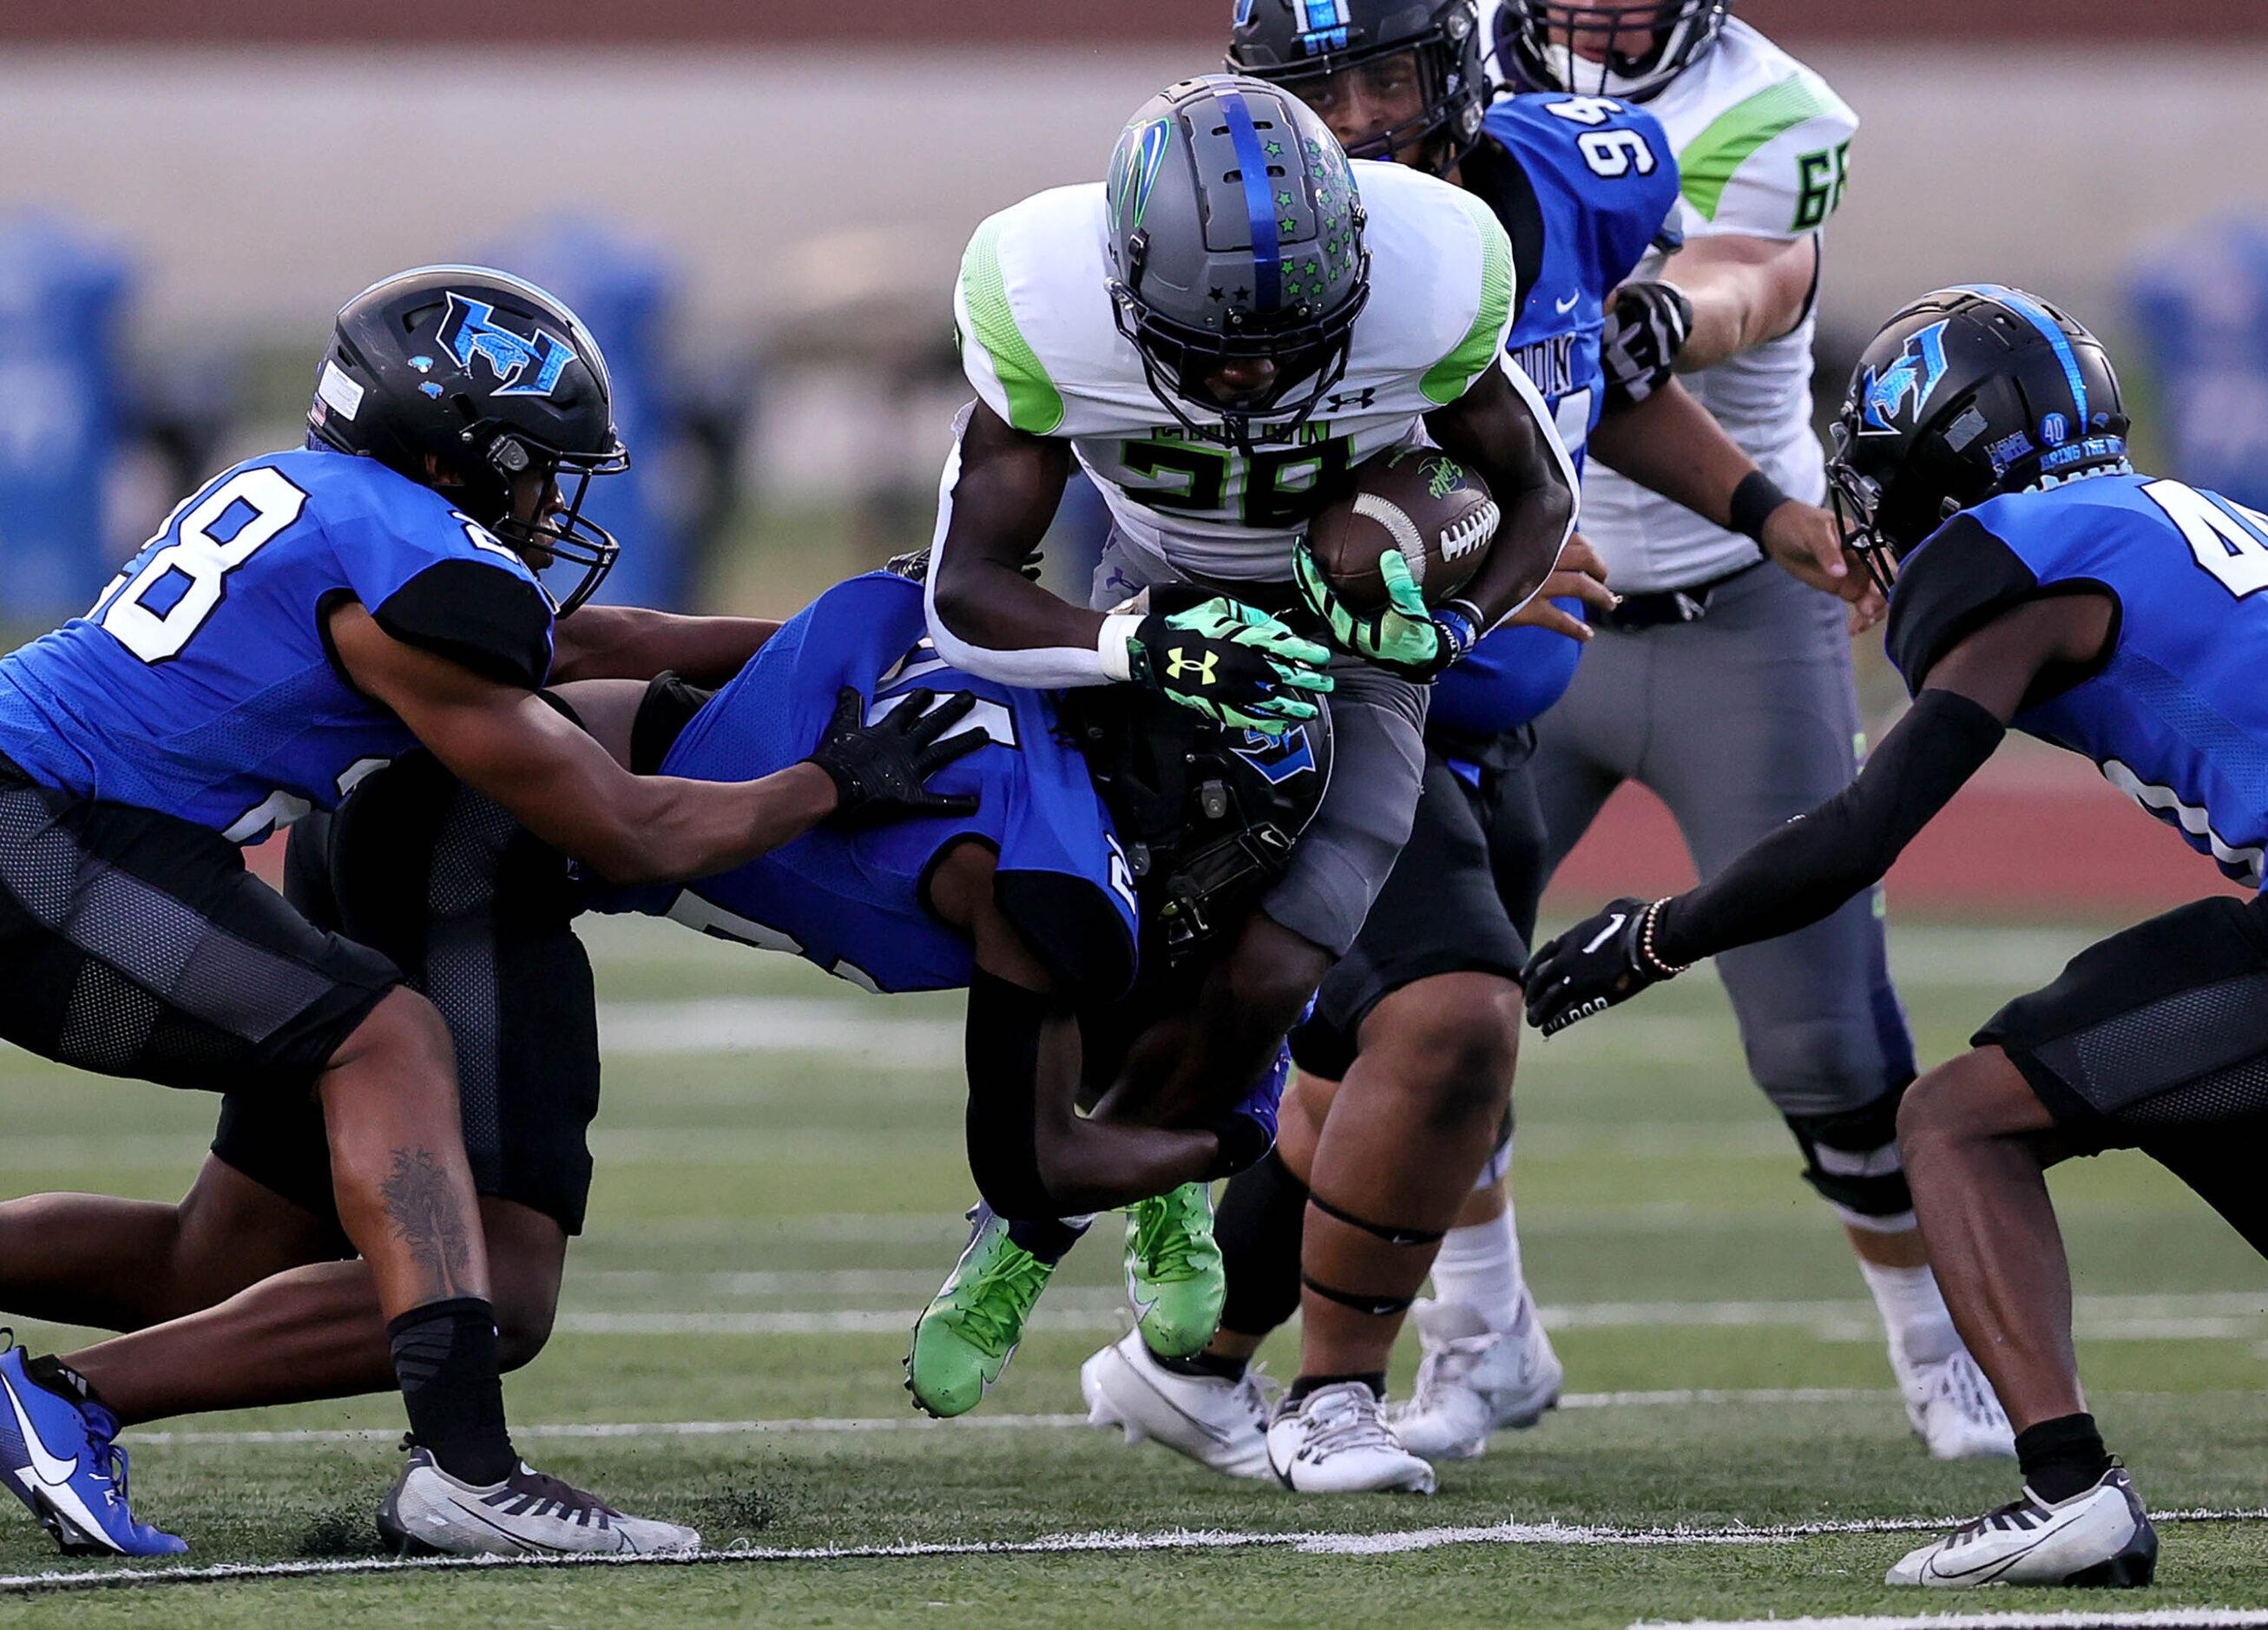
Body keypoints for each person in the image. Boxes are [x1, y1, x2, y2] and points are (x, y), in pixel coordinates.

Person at [0, 267, 977, 1559]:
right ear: (465, 454)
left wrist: (869, 630)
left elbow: (589, 642)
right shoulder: (413, 579)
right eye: (540, 468)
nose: (552, 501)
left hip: (52, 815)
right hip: (38, 836)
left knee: (215, 1255)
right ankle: (466, 1464)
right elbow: (626, 827)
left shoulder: (325, 507)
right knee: (385, 1037)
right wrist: (827, 782)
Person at [0, 569, 1319, 1470]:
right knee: (498, 1292)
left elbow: (609, 642)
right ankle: (70, 1403)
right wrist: (1220, 1144)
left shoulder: (965, 633)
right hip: (486, 849)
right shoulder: (1042, 874)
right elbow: (1030, 1164)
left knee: (213, 1255)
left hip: (398, 809)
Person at [1075, 0, 1868, 1492]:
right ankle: (1338, 1398)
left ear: (1453, 70)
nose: (1362, 118)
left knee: (1376, 1070)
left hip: (1484, 713)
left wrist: (1765, 512)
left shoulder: (1578, 172)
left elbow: (1587, 386)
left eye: (1386, 74)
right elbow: (1250, 523)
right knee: (1449, 1017)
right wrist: (1461, 563)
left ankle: (1188, 1365)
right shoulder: (1256, 246)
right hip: (1321, 691)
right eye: (1323, 89)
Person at [1522, 284, 2238, 1588]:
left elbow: (1858, 832)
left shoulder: (2007, 555)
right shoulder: (2183, 518)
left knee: (1954, 1117)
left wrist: (1650, 938)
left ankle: (2067, 1488)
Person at [910, 71, 1582, 1438]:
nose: (1250, 377)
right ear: (1124, 281)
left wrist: (1444, 622)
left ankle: (1034, 1227)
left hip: (1351, 639)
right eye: (1213, 349)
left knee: (1277, 970)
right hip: (1146, 601)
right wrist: (1131, 645)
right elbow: (966, 588)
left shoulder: (1435, 274)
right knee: (1101, 961)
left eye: (1288, 344)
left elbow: (1536, 490)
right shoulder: (1039, 299)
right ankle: (1061, 1210)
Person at [1480, 0, 2013, 1460]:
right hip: (1523, 598)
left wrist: (1662, 313)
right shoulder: (1437, 57)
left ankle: (1938, 1345)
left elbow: (1748, 280)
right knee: (1426, 988)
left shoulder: (1775, 103)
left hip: (1738, 604)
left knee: (1820, 1032)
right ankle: (1477, 1332)